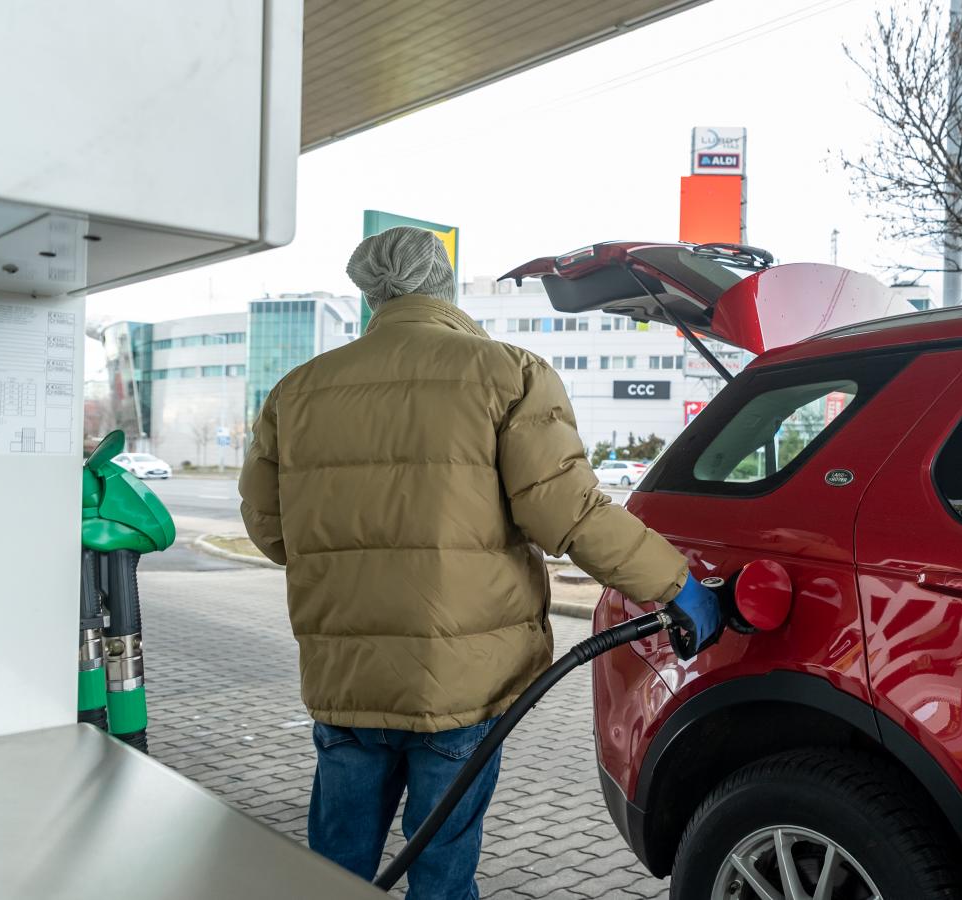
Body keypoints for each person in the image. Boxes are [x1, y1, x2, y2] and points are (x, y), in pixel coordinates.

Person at [239, 226, 717, 899]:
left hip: (346, 678)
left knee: (332, 871)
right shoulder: (507, 373)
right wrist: (675, 583)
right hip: (456, 688)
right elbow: (569, 514)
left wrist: (346, 566)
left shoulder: (298, 391)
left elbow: (267, 525)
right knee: (441, 873)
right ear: (444, 285)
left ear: (372, 293)